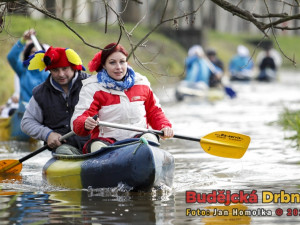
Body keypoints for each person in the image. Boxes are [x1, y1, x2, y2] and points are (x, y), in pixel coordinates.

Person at [71, 42, 174, 154]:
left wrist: (164, 126)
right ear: (104, 65)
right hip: (106, 141)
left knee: (150, 137)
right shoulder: (92, 87)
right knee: (97, 147)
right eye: (112, 63)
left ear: (127, 63)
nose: (118, 67)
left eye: (122, 62)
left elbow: (155, 112)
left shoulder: (141, 83)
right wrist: (85, 124)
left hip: (139, 138)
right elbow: (78, 121)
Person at [21, 46, 90, 154]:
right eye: (55, 70)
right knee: (64, 151)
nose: (61, 74)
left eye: (65, 68)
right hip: (64, 148)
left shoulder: (92, 84)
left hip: (94, 142)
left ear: (73, 67)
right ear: (49, 71)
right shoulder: (40, 93)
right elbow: (27, 122)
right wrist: (48, 134)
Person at [7, 29, 49, 139]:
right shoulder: (23, 70)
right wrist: (23, 40)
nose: (35, 54)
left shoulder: (48, 74)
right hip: (23, 114)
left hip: (41, 115)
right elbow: (11, 57)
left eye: (37, 52)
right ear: (27, 54)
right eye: (32, 52)